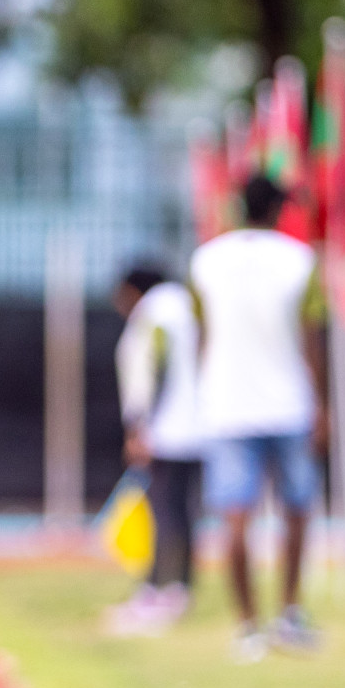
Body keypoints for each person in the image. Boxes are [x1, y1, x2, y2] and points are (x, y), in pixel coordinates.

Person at [190, 174, 328, 662]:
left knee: (234, 519)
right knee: (297, 512)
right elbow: (312, 336)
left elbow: (202, 333)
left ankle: (247, 626)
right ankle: (289, 613)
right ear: (278, 210)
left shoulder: (206, 260)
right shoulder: (300, 259)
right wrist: (322, 402)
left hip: (226, 404)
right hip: (289, 401)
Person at [105, 263, 204, 634]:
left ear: (132, 292)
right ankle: (180, 586)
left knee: (163, 509)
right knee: (184, 509)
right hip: (201, 425)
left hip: (168, 428)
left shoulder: (155, 312)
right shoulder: (189, 305)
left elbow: (149, 367)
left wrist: (140, 426)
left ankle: (157, 589)